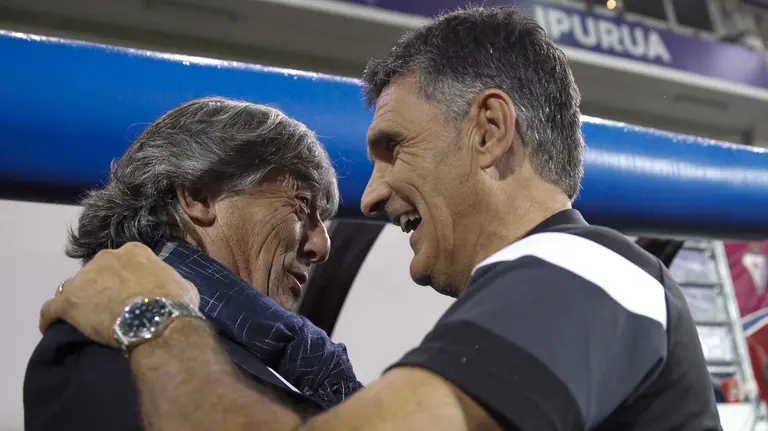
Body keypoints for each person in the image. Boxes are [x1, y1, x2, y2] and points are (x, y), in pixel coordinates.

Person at [40, 6, 721, 431]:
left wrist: (153, 318)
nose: (367, 201)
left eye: (394, 147)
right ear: (199, 196)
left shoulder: (585, 272)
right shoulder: (87, 359)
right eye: (303, 206)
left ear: (488, 131)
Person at [25, 97, 362, 431]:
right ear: (200, 197)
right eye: (302, 205)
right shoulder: (102, 352)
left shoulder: (273, 361)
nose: (322, 245)